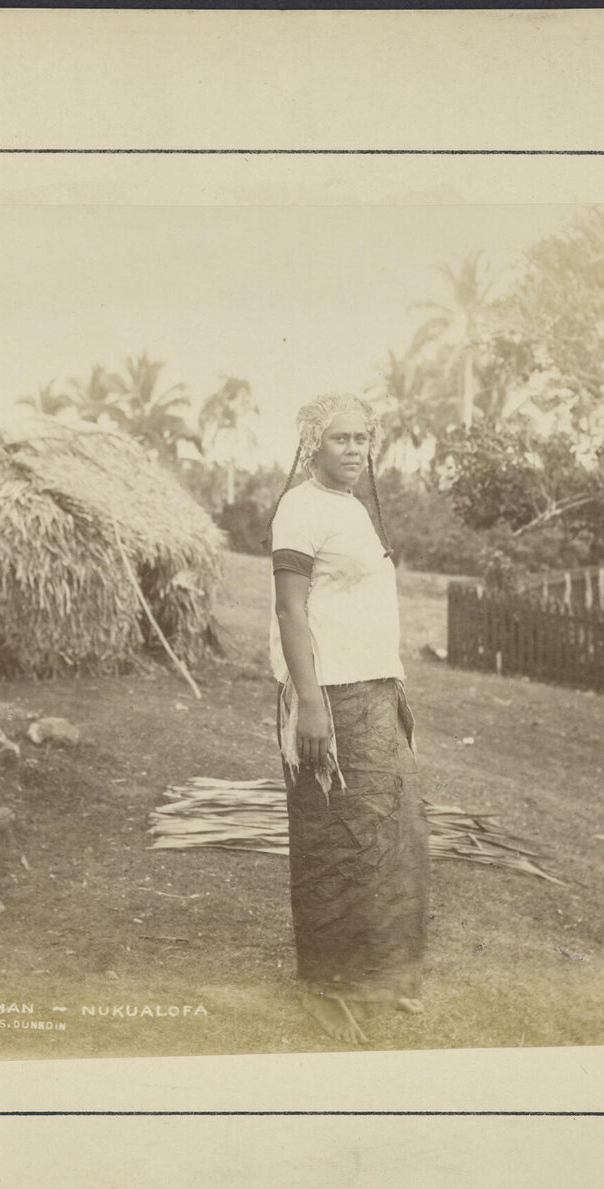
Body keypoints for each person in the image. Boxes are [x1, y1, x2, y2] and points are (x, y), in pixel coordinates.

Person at [266, 392, 430, 1044]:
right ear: (314, 442)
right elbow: (290, 610)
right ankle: (325, 988)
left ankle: (377, 975)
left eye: (362, 437)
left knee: (390, 835)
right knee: (334, 842)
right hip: (329, 697)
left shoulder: (352, 508)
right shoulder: (299, 508)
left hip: (375, 691)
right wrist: (311, 705)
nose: (356, 448)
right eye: (342, 437)